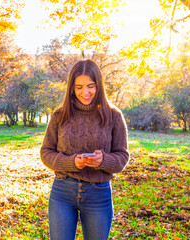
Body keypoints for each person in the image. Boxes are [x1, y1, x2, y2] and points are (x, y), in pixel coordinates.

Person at [40, 59, 129, 240]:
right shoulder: (60, 115)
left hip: (99, 194)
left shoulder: (113, 115)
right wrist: (71, 162)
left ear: (99, 86)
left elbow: (122, 156)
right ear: (72, 87)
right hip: (62, 192)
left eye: (90, 86)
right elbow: (46, 152)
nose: (85, 92)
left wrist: (103, 160)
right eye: (79, 87)